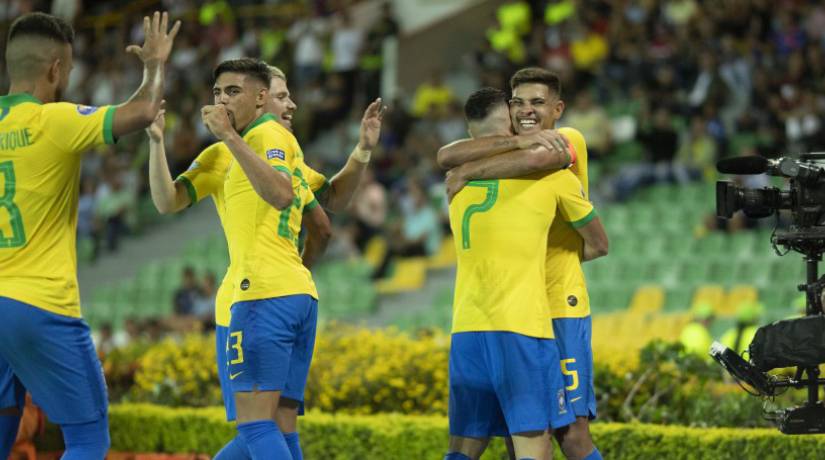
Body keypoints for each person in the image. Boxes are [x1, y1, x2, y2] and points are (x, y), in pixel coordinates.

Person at [146, 62, 383, 459]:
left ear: (258, 98)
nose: (222, 100)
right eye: (218, 92)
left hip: (256, 296)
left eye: (233, 92)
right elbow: (167, 201)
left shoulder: (266, 137)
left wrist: (227, 136)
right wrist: (156, 143)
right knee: (277, 426)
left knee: (256, 427)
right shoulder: (244, 152)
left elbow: (281, 194)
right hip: (295, 296)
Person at [0, 11, 179, 458]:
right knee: (88, 437)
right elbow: (142, 111)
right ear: (56, 69)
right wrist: (155, 65)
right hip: (40, 304)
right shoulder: (53, 121)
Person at [439, 68, 608, 460]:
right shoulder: (513, 148)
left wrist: (469, 170)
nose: (526, 111)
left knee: (569, 434)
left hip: (556, 305)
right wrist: (466, 163)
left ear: (558, 108)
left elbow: (536, 159)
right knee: (517, 435)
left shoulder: (567, 141)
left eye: (537, 103)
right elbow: (446, 155)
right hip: (514, 311)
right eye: (518, 103)